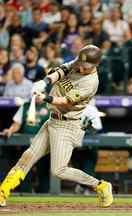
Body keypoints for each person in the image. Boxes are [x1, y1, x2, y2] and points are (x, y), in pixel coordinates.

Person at [0, 45, 113, 208]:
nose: (80, 68)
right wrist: (44, 81)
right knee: (28, 156)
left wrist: (44, 97)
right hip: (53, 120)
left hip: (67, 126)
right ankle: (3, 191)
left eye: (85, 67)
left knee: (59, 170)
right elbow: (62, 70)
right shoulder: (80, 61)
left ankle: (101, 186)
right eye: (80, 64)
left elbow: (66, 101)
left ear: (95, 66)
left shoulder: (91, 83)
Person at [1, 97, 50, 193]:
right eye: (35, 93)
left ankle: (44, 196)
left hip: (43, 144)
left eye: (40, 93)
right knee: (24, 170)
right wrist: (10, 130)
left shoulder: (50, 106)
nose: (37, 96)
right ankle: (25, 193)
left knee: (43, 170)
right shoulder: (26, 106)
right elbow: (17, 124)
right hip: (26, 144)